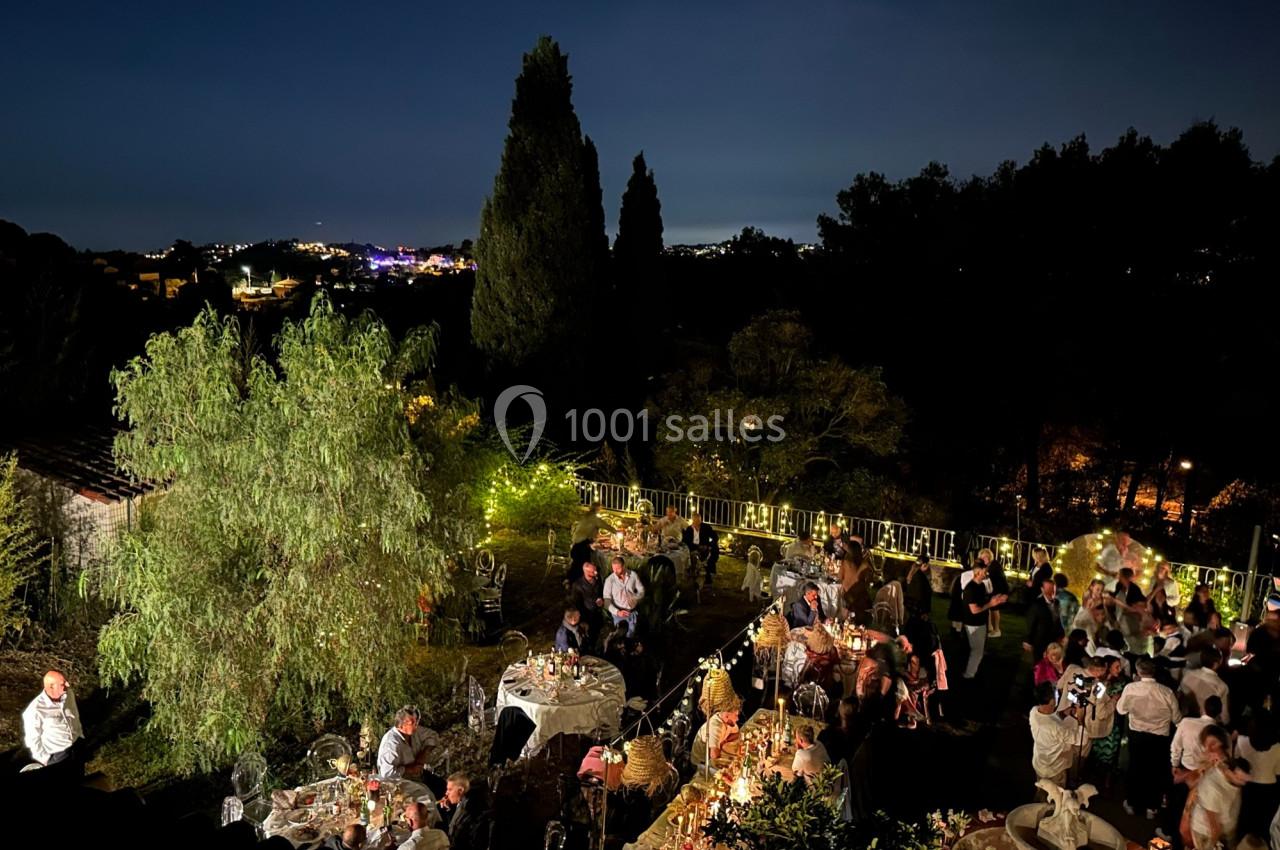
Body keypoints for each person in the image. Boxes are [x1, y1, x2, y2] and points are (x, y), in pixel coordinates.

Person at [1117, 657, 1181, 820]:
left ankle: (1133, 803)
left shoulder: (1131, 688)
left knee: (1135, 768)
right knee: (1155, 771)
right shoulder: (1166, 692)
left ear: (1138, 671)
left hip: (1137, 735)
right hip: (1159, 737)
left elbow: (1121, 709)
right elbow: (1177, 718)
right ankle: (1152, 806)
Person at [1166, 696, 1225, 845]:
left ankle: (1174, 838)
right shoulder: (1223, 734)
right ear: (1219, 713)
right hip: (1206, 778)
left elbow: (1175, 746)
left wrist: (1174, 764)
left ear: (1203, 708)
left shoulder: (1186, 723)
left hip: (1187, 772)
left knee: (1178, 809)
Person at [22, 669, 84, 774]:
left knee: (79, 774)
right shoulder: (35, 710)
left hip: (76, 745)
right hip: (57, 754)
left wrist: (80, 735)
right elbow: (32, 740)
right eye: (63, 683)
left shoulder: (69, 694)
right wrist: (45, 759)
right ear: (51, 686)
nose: (68, 685)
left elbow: (75, 715)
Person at [1188, 752, 1250, 850]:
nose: (1242, 783)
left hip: (1226, 827)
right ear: (1229, 772)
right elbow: (1214, 827)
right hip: (1206, 833)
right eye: (1239, 779)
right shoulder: (1213, 788)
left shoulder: (1231, 776)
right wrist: (1211, 845)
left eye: (1244, 780)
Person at [1234, 713, 1280, 844]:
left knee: (1245, 820)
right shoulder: (1278, 748)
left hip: (1247, 786)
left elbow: (1236, 760)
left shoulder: (1241, 741)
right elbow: (1278, 771)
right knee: (1265, 826)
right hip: (1269, 789)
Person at [378, 707, 444, 794]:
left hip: (419, 776)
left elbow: (433, 735)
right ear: (401, 725)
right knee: (428, 795)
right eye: (412, 723)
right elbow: (387, 774)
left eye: (416, 722)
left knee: (444, 787)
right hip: (401, 784)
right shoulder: (391, 744)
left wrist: (424, 753)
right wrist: (409, 769)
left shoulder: (414, 731)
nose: (416, 725)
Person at [1030, 680, 1082, 787]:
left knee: (1041, 790)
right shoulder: (1056, 728)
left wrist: (1063, 713)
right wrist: (1081, 718)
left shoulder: (1034, 711)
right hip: (1055, 771)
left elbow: (1048, 718)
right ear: (1052, 701)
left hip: (1040, 764)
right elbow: (1077, 739)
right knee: (1056, 795)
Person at [961, 561, 1006, 680]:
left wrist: (995, 599)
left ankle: (971, 672)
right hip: (973, 624)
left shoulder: (981, 586)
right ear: (977, 573)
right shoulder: (970, 588)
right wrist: (991, 604)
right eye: (985, 571)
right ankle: (969, 675)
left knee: (978, 649)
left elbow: (983, 601)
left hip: (980, 622)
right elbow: (974, 610)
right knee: (977, 651)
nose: (987, 573)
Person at [1180, 647, 1231, 725]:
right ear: (1215, 664)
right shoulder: (1221, 686)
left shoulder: (1188, 674)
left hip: (1185, 719)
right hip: (1206, 724)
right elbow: (1224, 716)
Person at [441, 773, 489, 850]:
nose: (446, 793)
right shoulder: (463, 804)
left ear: (460, 790)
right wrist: (449, 810)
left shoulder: (470, 809)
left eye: (450, 789)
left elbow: (456, 836)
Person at [569, 503, 615, 583]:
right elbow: (606, 526)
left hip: (575, 545)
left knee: (577, 564)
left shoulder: (585, 516)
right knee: (588, 562)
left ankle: (570, 581)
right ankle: (596, 581)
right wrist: (616, 531)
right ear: (597, 509)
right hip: (582, 545)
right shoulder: (594, 519)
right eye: (600, 509)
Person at [1024, 575, 1065, 661]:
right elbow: (1031, 623)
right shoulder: (1036, 604)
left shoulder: (1057, 603)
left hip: (1053, 640)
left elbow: (1057, 620)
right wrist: (1028, 641)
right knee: (1039, 663)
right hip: (1040, 641)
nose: (1051, 592)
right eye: (1049, 589)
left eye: (1053, 589)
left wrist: (1061, 634)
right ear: (1042, 589)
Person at [1107, 568, 1148, 654]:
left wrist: (1123, 608)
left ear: (1124, 577)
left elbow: (1139, 609)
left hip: (1131, 622)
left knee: (1131, 642)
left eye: (1119, 575)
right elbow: (1115, 597)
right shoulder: (1119, 585)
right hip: (1120, 619)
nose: (1118, 577)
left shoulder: (1135, 590)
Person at [603, 556, 645, 637]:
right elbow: (606, 600)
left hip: (632, 612)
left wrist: (636, 598)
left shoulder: (633, 575)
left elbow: (641, 590)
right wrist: (617, 612)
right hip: (618, 614)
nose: (615, 571)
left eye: (618, 568)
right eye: (613, 568)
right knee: (620, 636)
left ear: (624, 566)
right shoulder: (609, 580)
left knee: (631, 635)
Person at [692, 705, 741, 770]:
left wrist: (725, 741)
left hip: (714, 756)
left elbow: (737, 734)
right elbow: (714, 756)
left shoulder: (729, 721)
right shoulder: (715, 727)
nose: (737, 719)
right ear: (726, 716)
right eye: (736, 715)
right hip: (701, 762)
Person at [570, 561, 605, 649]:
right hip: (586, 615)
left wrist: (600, 599)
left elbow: (601, 591)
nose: (596, 573)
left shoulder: (597, 580)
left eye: (595, 570)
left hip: (597, 613)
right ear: (587, 572)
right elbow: (576, 603)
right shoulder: (577, 585)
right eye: (593, 571)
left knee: (596, 633)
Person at [681, 513, 719, 588]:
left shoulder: (706, 527)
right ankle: (694, 575)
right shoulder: (689, 529)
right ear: (693, 520)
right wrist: (697, 547)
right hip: (693, 548)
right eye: (695, 521)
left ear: (700, 520)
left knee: (709, 555)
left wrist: (709, 545)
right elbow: (686, 541)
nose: (697, 522)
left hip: (705, 547)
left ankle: (706, 576)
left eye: (699, 521)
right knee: (693, 555)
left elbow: (715, 537)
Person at [979, 548, 1008, 638]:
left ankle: (997, 630)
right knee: (991, 609)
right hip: (992, 590)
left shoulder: (995, 565)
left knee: (995, 610)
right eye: (982, 557)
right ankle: (991, 628)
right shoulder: (988, 565)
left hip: (998, 591)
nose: (984, 559)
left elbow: (1001, 580)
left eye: (986, 557)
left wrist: (1004, 594)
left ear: (990, 557)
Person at [904, 555, 933, 619]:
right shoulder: (920, 576)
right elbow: (920, 594)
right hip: (918, 609)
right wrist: (924, 611)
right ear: (924, 564)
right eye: (928, 565)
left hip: (911, 606)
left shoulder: (912, 573)